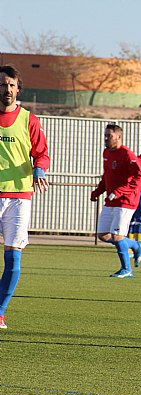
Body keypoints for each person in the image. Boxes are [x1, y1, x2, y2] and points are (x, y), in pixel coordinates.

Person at [0, 65, 50, 330]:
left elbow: (41, 152)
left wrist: (39, 169)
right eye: (3, 84)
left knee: (14, 259)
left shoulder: (29, 119)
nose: (7, 90)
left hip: (19, 196)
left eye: (11, 85)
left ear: (18, 89)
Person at [90, 124, 141, 278]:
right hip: (111, 200)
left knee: (117, 236)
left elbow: (139, 178)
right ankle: (136, 245)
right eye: (105, 135)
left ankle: (127, 269)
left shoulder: (127, 154)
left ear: (118, 137)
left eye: (109, 135)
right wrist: (97, 191)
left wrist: (120, 191)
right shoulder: (106, 152)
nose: (106, 138)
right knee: (103, 234)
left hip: (126, 201)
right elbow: (106, 175)